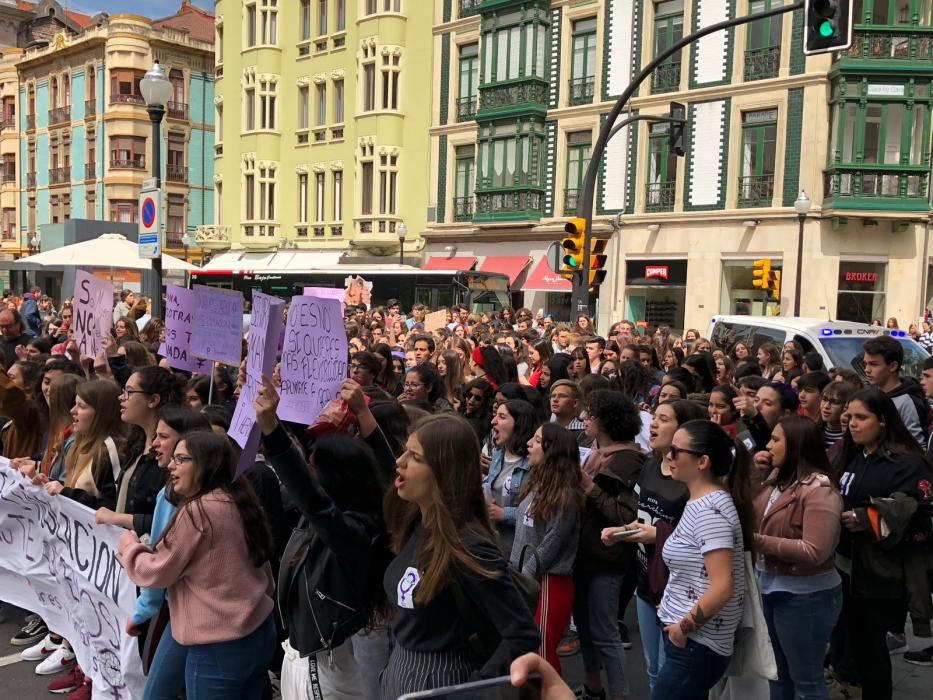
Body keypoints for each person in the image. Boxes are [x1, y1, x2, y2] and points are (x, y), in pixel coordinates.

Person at [381, 413, 540, 695]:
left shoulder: (470, 545)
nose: (399, 461)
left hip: (443, 682)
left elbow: (522, 634)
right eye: (404, 450)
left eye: (415, 457)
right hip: (399, 676)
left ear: (444, 470)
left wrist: (473, 689)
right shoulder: (414, 523)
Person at [256, 377, 394, 700]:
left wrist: (273, 433)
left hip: (327, 670)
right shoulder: (328, 520)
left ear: (334, 480)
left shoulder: (353, 535)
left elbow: (313, 499)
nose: (307, 471)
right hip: (301, 659)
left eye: (313, 469)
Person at [118, 432, 277, 699]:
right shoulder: (237, 499)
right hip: (258, 630)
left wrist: (129, 549)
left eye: (181, 459)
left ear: (207, 464)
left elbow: (157, 570)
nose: (171, 466)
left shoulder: (198, 511)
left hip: (218, 645)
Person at [830, 387, 932, 700]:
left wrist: (869, 517)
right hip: (844, 569)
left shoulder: (907, 463)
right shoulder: (853, 454)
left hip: (878, 576)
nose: (853, 424)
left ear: (883, 421)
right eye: (850, 417)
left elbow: (924, 516)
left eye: (862, 418)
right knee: (848, 646)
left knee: (870, 650)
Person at [602, 399, 706, 692]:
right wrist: (622, 531)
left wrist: (657, 536)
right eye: (654, 417)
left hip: (679, 590)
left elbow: (702, 540)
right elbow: (641, 516)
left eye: (664, 419)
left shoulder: (692, 478)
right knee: (653, 669)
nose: (654, 424)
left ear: (683, 431)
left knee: (672, 673)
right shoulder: (648, 465)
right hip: (647, 582)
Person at [653, 420, 754, 700]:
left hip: (696, 643)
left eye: (676, 450)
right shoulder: (701, 502)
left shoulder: (710, 511)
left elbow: (722, 586)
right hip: (689, 639)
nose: (669, 457)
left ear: (702, 462)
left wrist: (684, 626)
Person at [754, 416, 843, 700]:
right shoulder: (775, 478)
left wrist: (758, 542)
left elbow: (815, 551)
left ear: (797, 445)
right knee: (777, 675)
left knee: (806, 681)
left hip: (805, 597)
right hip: (769, 586)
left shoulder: (819, 489)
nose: (769, 445)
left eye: (776, 439)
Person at [575, 390, 645, 700]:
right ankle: (593, 687)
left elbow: (625, 516)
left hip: (607, 559)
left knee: (605, 633)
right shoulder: (593, 451)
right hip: (583, 553)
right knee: (587, 631)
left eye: (589, 415)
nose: (583, 420)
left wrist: (589, 488)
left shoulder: (628, 460)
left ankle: (620, 694)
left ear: (605, 421)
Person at [511, 424, 583, 672]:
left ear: (552, 450)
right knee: (526, 652)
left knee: (540, 654)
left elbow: (553, 541)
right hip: (527, 580)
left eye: (537, 440)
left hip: (549, 582)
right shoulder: (536, 483)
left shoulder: (565, 494)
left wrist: (526, 574)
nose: (529, 443)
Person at [485, 399, 538, 556]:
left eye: (502, 417)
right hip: (493, 542)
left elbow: (539, 512)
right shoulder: (498, 454)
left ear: (519, 424)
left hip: (516, 549)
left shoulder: (533, 463)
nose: (493, 421)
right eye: (495, 415)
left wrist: (504, 514)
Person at [862, 336, 929, 447]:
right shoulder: (870, 393)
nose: (867, 370)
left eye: (873, 364)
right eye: (865, 364)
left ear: (893, 366)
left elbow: (917, 447)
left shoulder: (908, 402)